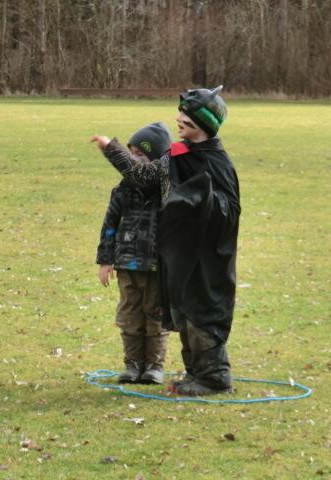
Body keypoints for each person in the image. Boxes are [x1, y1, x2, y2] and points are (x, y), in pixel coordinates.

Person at [91, 86, 240, 396]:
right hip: (182, 250)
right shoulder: (178, 154)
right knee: (184, 306)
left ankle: (214, 377)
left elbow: (227, 209)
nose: (179, 121)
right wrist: (112, 150)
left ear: (203, 124)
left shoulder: (217, 161)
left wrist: (199, 200)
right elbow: (143, 177)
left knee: (203, 308)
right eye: (180, 115)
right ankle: (195, 373)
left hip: (207, 253)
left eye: (186, 118)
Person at [96, 122, 172, 385]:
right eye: (131, 153)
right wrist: (105, 260)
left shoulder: (166, 190)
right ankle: (133, 364)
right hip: (127, 265)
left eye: (140, 154)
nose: (134, 159)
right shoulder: (123, 189)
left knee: (155, 316)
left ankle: (154, 366)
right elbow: (110, 225)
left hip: (156, 267)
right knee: (130, 315)